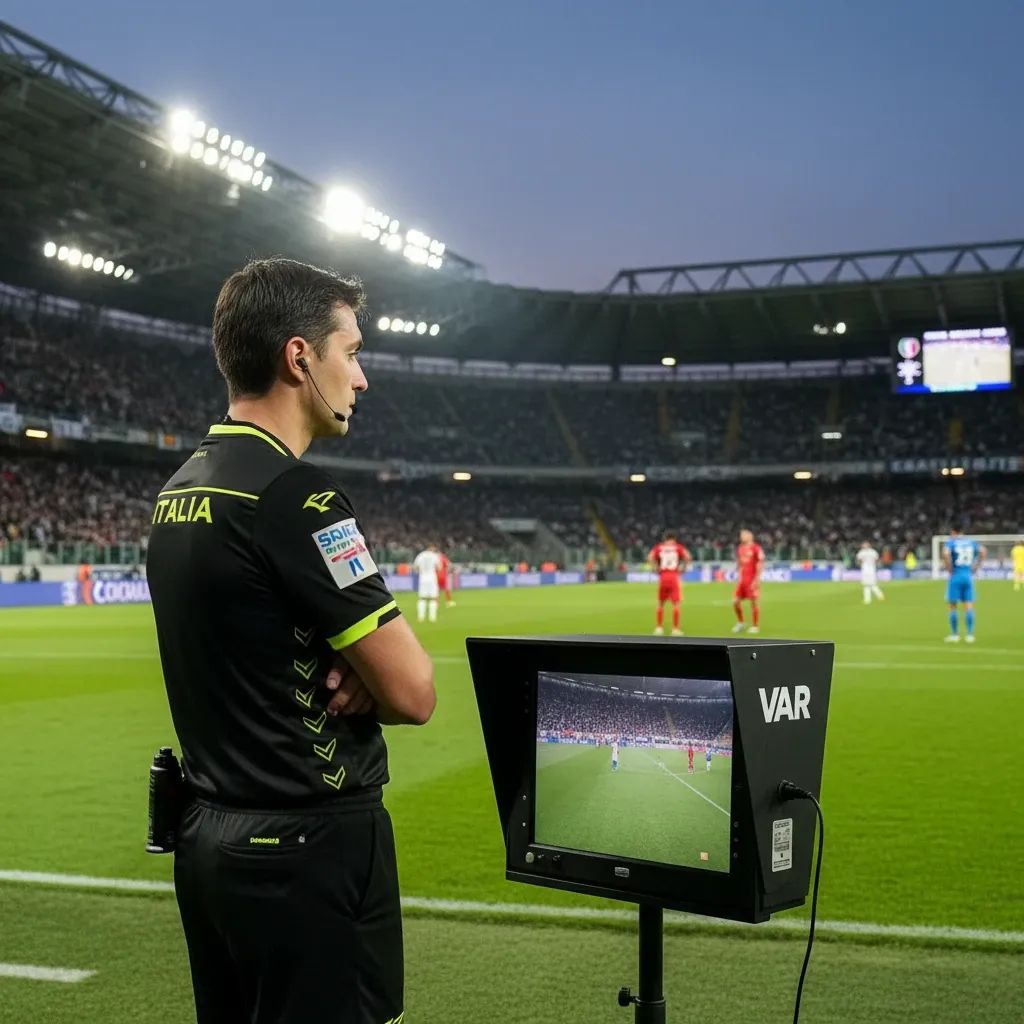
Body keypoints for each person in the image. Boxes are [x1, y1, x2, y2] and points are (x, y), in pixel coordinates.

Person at [146, 258, 436, 1024]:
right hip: (307, 854)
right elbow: (413, 691)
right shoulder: (295, 497)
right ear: (299, 357)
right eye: (352, 351)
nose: (362, 377)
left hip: (207, 842)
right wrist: (364, 666)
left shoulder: (176, 493)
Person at [943, 525, 984, 644]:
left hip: (956, 576)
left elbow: (945, 554)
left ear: (953, 532)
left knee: (952, 606)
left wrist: (949, 567)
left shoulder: (951, 542)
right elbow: (982, 551)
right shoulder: (971, 542)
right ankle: (970, 635)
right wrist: (976, 566)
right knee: (969, 606)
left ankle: (955, 635)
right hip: (968, 576)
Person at [647, 530, 692, 636]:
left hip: (663, 576)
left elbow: (650, 557)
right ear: (674, 539)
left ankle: (659, 628)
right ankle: (675, 629)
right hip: (673, 576)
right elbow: (688, 557)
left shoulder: (659, 547)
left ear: (665, 539)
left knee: (660, 603)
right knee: (676, 604)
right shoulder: (678, 547)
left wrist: (655, 568)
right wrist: (683, 568)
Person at [731, 529, 765, 634]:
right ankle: (741, 622)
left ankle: (755, 626)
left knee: (754, 602)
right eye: (741, 535)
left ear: (750, 536)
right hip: (742, 580)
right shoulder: (740, 548)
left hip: (752, 579)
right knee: (735, 602)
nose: (741, 537)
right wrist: (738, 574)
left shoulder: (756, 548)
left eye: (743, 535)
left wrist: (757, 579)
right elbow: (740, 562)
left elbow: (760, 563)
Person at [412, 543, 443, 622]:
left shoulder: (420, 555)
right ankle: (432, 618)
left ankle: (421, 617)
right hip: (432, 578)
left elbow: (415, 567)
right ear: (431, 548)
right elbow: (439, 567)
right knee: (433, 598)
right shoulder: (434, 556)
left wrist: (421, 571)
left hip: (423, 579)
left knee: (422, 598)